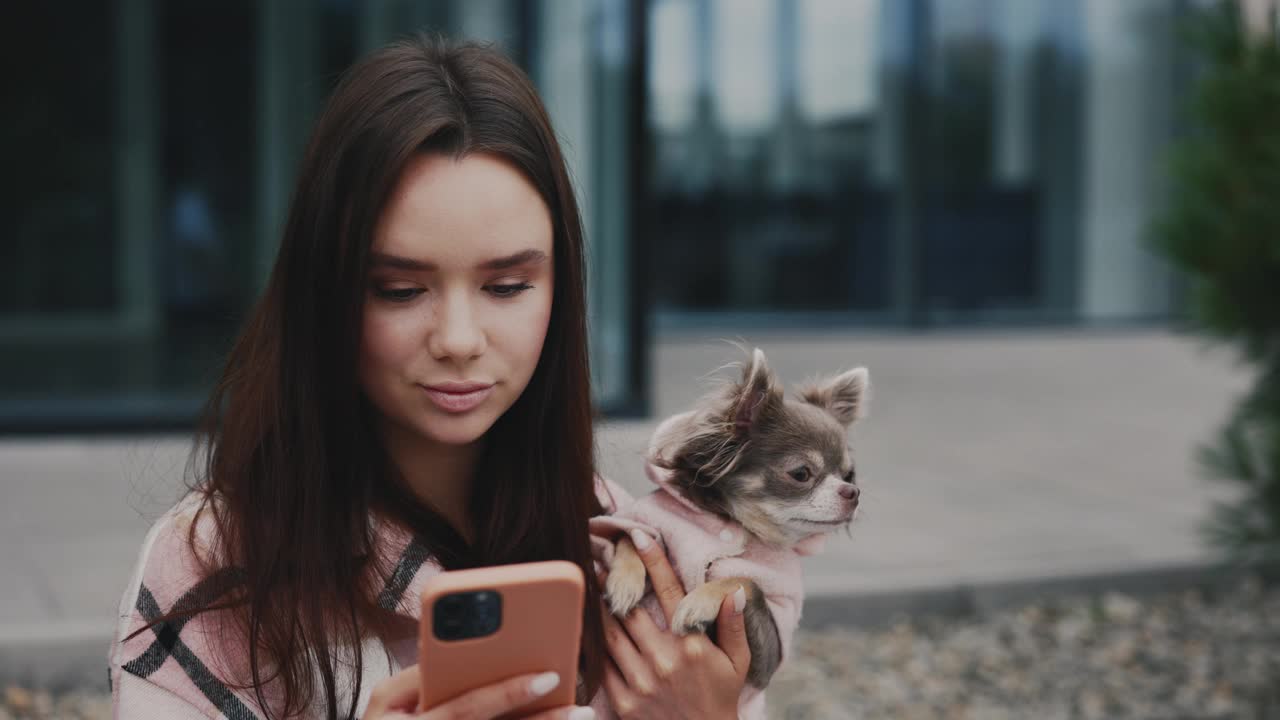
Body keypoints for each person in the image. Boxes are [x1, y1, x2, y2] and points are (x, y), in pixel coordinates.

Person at [107, 36, 750, 719]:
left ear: (561, 290)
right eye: (398, 290)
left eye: (506, 285)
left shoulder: (618, 538)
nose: (459, 340)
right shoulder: (216, 562)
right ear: (327, 291)